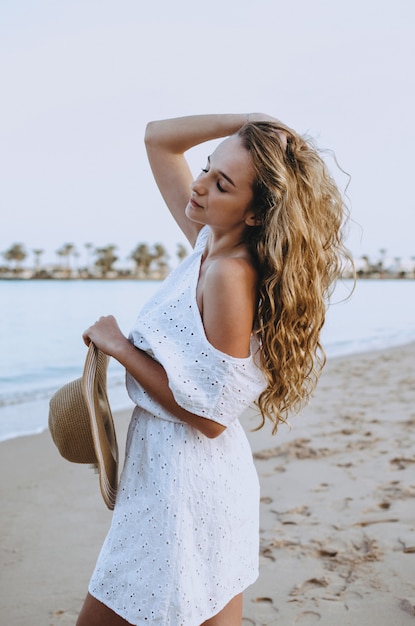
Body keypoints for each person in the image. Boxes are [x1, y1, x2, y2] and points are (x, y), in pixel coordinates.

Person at [77, 113, 351, 625]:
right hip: (176, 478)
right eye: (207, 167)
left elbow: (210, 417)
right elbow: (157, 139)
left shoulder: (228, 275)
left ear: (254, 214)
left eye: (222, 183)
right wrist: (252, 123)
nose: (200, 186)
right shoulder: (209, 241)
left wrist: (118, 346)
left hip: (186, 486)